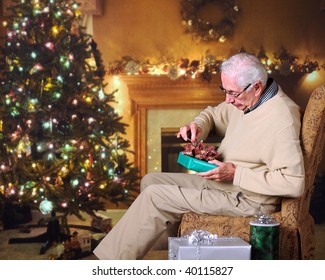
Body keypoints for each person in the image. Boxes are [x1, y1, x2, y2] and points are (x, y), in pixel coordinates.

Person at [93, 52, 305, 260]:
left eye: (233, 93)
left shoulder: (280, 118)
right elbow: (213, 114)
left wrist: (235, 173)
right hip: (225, 186)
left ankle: (107, 266)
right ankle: (173, 251)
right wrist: (197, 126)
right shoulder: (247, 101)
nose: (228, 99)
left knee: (155, 196)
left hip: (248, 199)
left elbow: (293, 182)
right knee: (151, 181)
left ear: (257, 87)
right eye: (224, 90)